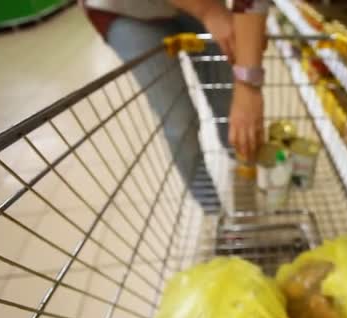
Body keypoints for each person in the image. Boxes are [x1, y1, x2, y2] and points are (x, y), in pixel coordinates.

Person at [81, 0, 268, 207]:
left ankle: (245, 174)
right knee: (178, 122)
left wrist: (248, 84)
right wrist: (209, 11)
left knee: (229, 100)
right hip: (128, 10)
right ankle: (211, 209)